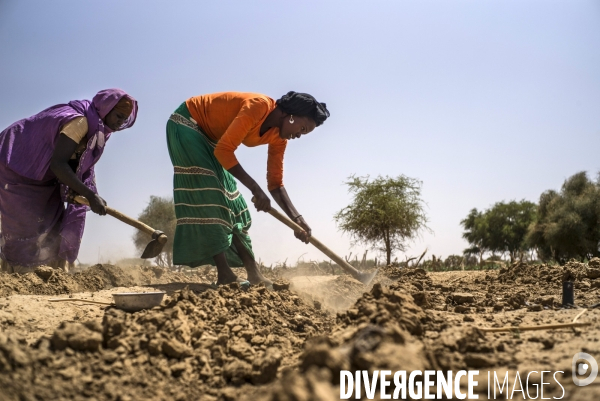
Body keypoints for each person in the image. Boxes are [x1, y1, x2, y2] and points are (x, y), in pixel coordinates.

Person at [166, 91, 330, 286]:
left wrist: (297, 219)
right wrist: (255, 189)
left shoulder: (279, 138)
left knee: (235, 202)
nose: (299, 136)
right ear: (292, 115)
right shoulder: (258, 106)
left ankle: (254, 274)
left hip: (212, 140)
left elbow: (276, 184)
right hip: (187, 123)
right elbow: (225, 150)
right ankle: (225, 274)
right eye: (302, 129)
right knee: (212, 195)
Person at [0, 89, 138, 273]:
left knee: (53, 218)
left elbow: (74, 166)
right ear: (106, 109)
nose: (120, 123)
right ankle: (16, 271)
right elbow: (59, 164)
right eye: (119, 116)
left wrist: (81, 191)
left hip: (44, 175)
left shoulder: (98, 132)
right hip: (17, 163)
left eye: (124, 120)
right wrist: (89, 194)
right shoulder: (79, 122)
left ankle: (47, 270)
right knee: (26, 221)